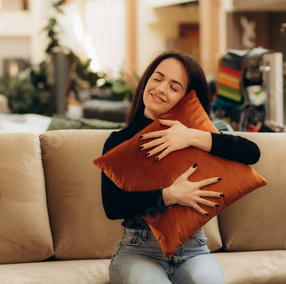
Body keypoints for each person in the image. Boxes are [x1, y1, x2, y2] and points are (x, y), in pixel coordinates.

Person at [101, 50, 261, 284]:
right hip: (138, 252)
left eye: (174, 87)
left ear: (187, 98)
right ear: (146, 81)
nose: (161, 88)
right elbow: (112, 206)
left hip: (193, 251)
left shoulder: (193, 136)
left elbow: (252, 153)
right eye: (157, 78)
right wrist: (168, 196)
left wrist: (192, 137)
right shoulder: (118, 142)